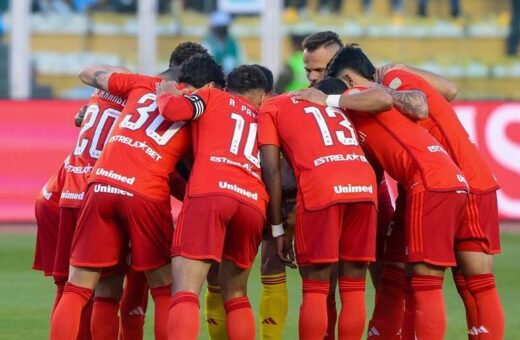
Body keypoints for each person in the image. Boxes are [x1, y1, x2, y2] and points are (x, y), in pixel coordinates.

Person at [293, 44, 470, 340]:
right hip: (435, 181)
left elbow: (381, 96)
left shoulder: (352, 96)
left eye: (319, 71)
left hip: (426, 182)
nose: (311, 78)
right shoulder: (370, 105)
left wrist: (331, 99)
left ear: (346, 79)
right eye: (307, 71)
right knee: (402, 276)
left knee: (424, 281)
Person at [50, 50, 225, 340]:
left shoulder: (141, 83)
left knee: (77, 287)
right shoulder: (200, 111)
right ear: (209, 87)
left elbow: (88, 74)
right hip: (146, 192)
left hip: (101, 186)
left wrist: (92, 104)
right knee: (164, 288)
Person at [374, 62, 504, 339]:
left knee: (460, 282)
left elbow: (443, 93)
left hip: (447, 180)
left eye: (318, 70)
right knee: (408, 275)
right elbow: (450, 89)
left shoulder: (387, 81)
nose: (312, 77)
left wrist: (396, 70)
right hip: (429, 181)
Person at [258, 78, 392, 339]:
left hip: (321, 184)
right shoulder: (337, 104)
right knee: (354, 286)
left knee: (316, 286)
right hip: (364, 185)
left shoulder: (271, 107)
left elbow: (272, 171)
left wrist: (277, 230)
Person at [156, 63, 269, 340]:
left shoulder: (211, 96)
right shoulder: (266, 115)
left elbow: (173, 111)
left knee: (185, 290)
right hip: (253, 201)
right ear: (262, 94)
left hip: (211, 191)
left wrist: (166, 92)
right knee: (237, 294)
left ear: (227, 87)